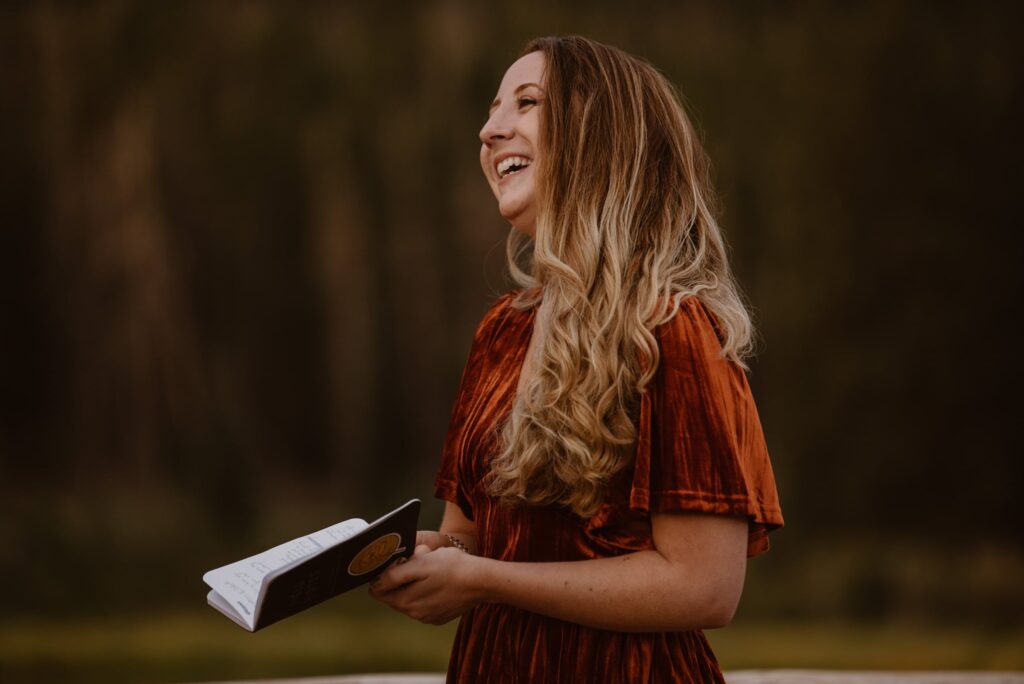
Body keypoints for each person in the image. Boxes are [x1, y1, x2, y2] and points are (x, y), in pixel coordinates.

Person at [369, 35, 783, 683]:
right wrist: (420, 557)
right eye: (491, 109)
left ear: (602, 137)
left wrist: (483, 579)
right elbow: (473, 540)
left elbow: (705, 588)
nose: (489, 129)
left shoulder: (672, 330)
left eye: (526, 103)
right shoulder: (500, 333)